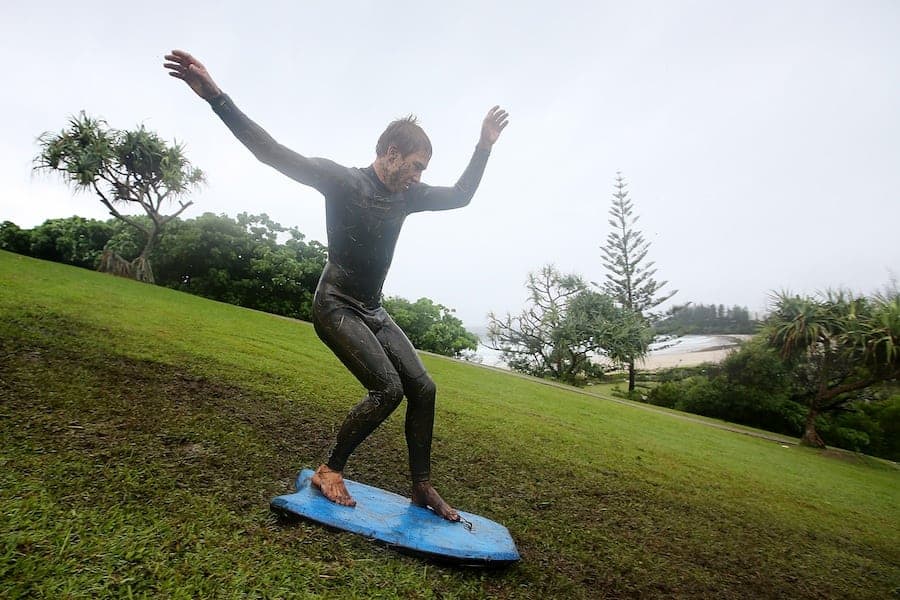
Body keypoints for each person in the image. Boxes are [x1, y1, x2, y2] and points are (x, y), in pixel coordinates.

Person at [164, 50, 508, 521]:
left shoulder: (407, 197)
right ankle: (330, 470)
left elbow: (462, 195)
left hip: (372, 309)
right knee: (387, 390)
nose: (417, 177)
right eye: (415, 165)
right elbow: (271, 152)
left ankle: (421, 486)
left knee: (423, 389)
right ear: (390, 154)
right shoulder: (343, 181)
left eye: (422, 170)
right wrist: (216, 97)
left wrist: (484, 145)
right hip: (335, 305)